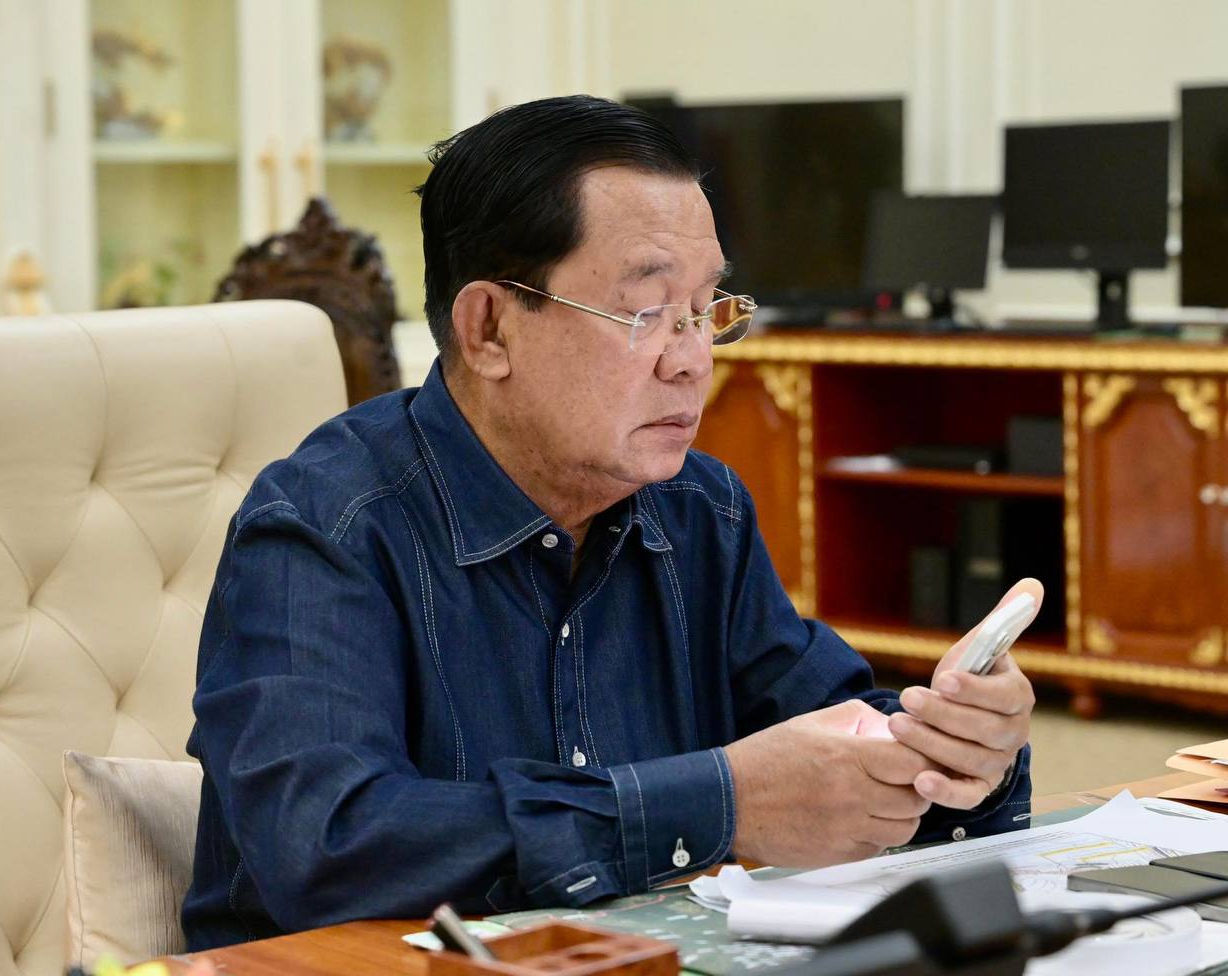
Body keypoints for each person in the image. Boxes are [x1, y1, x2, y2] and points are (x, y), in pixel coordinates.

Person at [182, 95, 1035, 950]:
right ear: (488, 329)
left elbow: (837, 734)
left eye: (706, 309)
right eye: (645, 313)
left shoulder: (700, 511)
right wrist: (720, 805)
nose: (691, 359)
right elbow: (326, 847)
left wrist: (958, 754)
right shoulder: (325, 525)